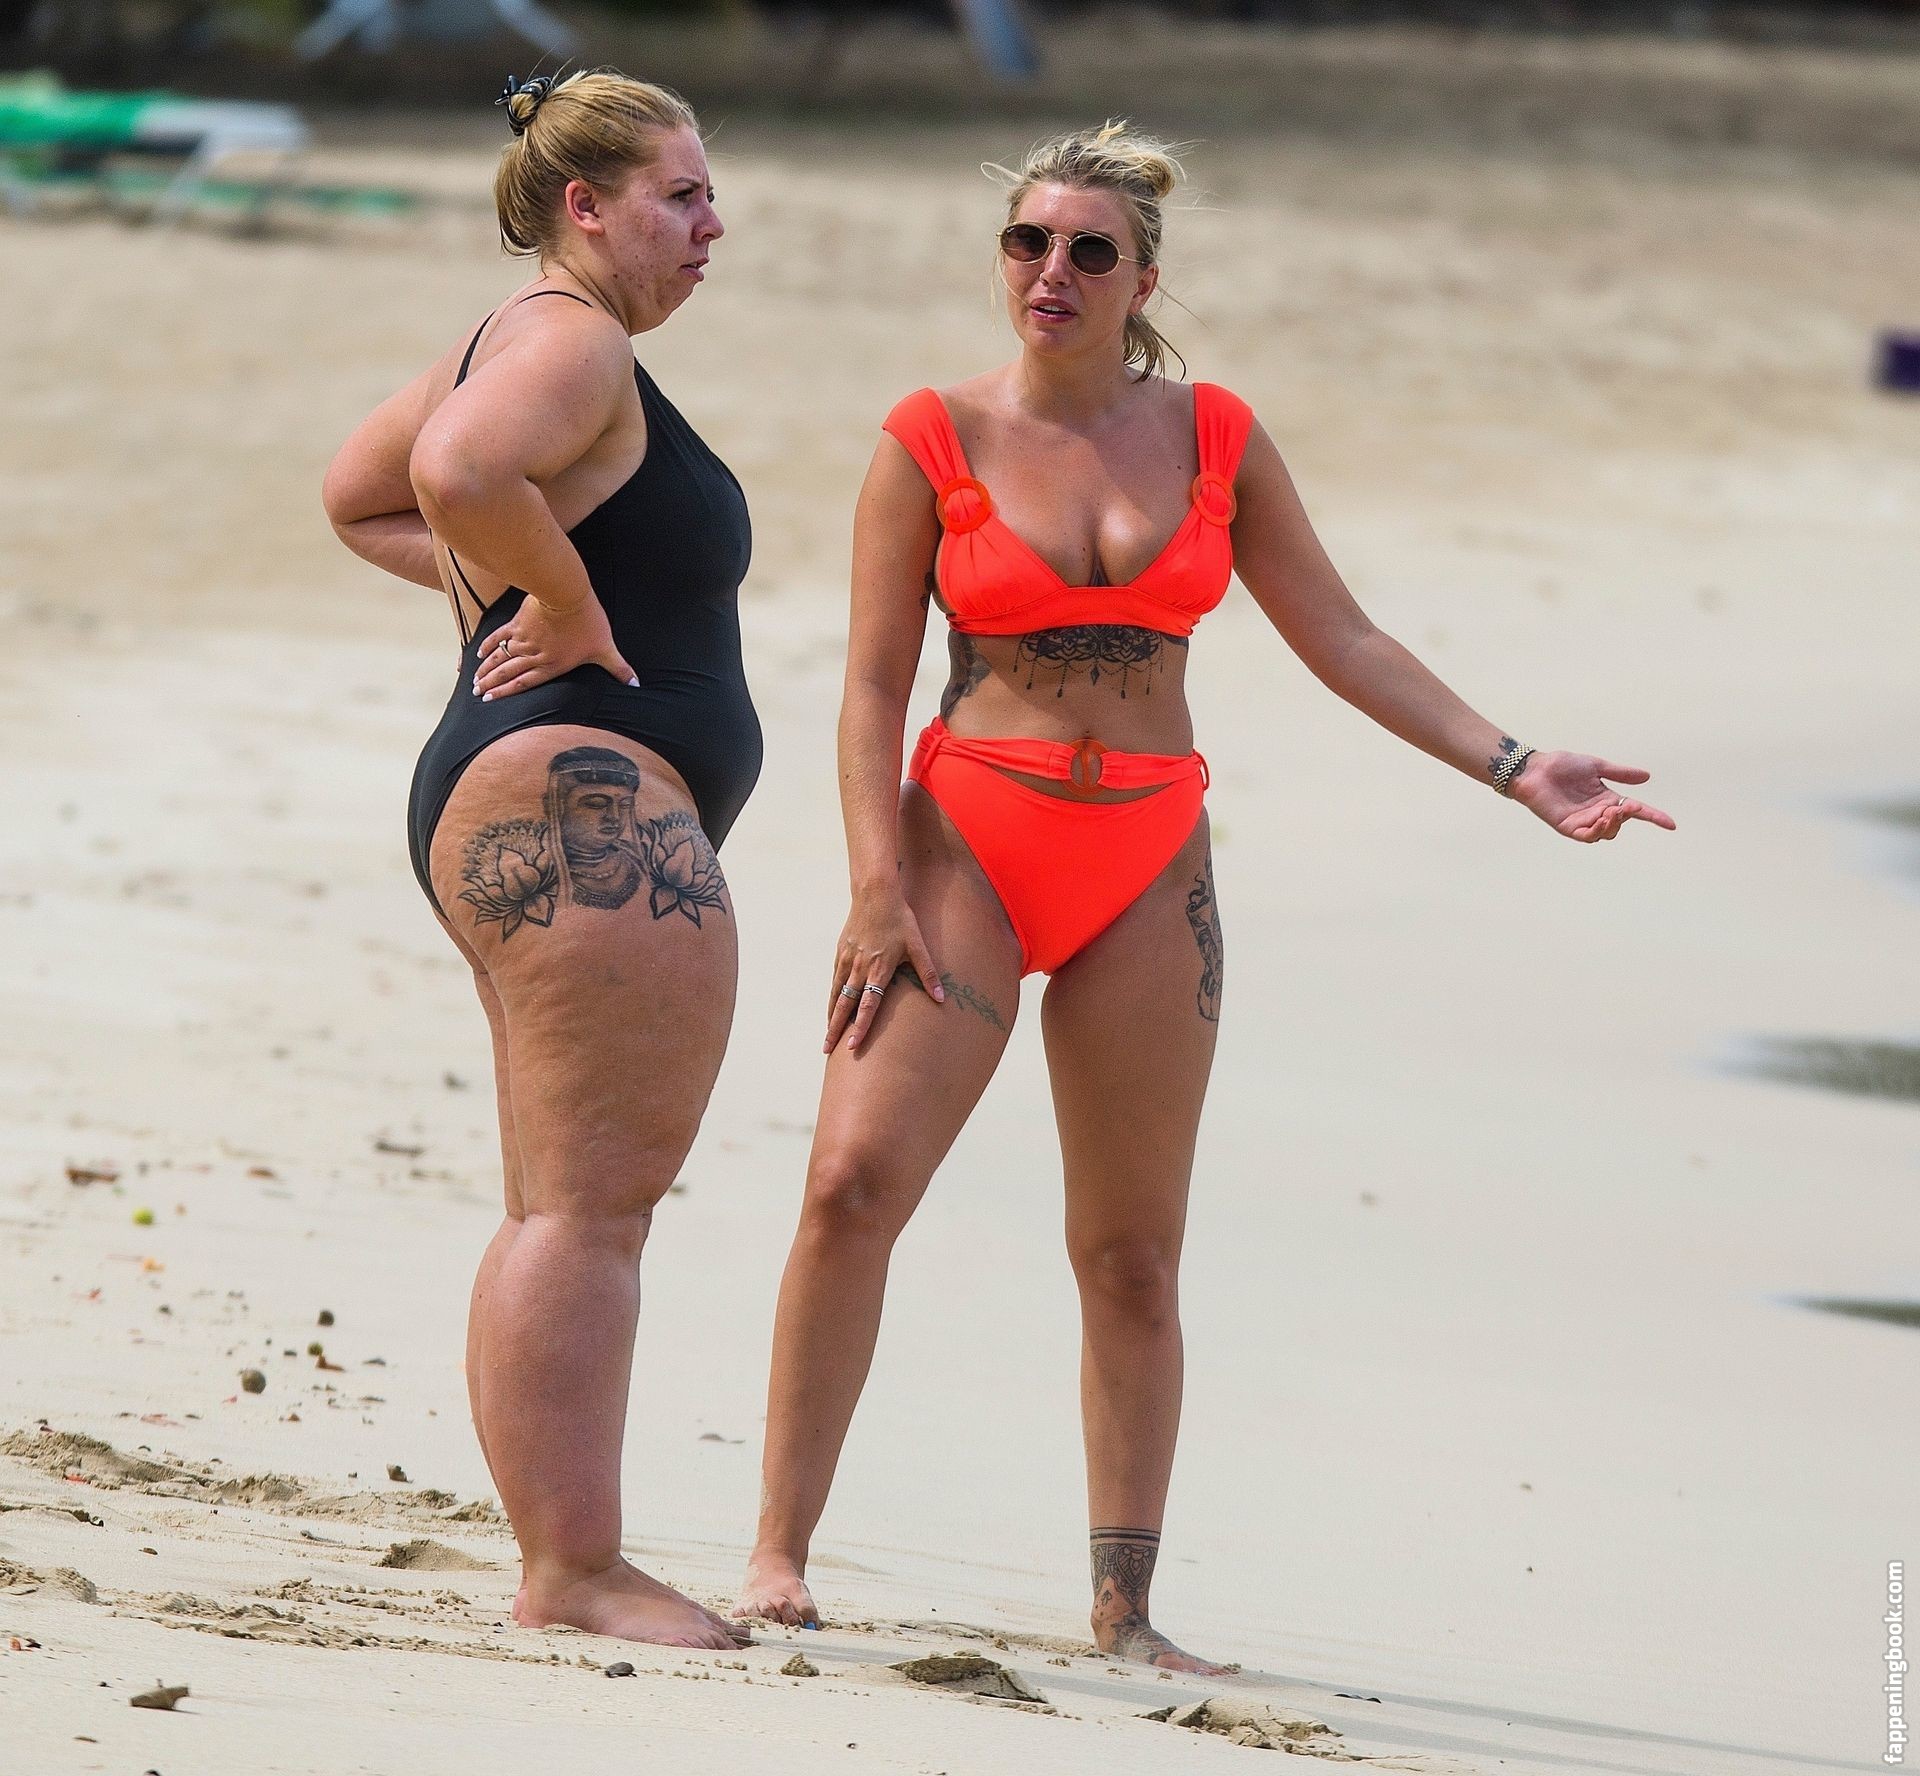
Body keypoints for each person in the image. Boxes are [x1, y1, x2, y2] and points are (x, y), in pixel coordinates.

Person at [734, 122, 1674, 1671]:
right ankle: (778, 1555)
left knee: (1131, 1255)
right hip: (965, 848)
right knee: (850, 1187)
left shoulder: (1219, 437)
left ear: (1143, 280)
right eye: (1028, 242)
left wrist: (1517, 766)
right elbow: (869, 688)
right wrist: (871, 887)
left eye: (1088, 250)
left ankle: (1126, 1612)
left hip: (1148, 863)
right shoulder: (928, 437)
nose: (1051, 270)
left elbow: (1343, 637)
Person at [321, 70, 760, 1649]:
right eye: (681, 196)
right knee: (589, 1212)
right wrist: (560, 607)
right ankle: (573, 1570)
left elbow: (358, 496)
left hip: (516, 785)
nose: (712, 226)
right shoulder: (573, 341)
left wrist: (515, 584)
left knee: (555, 1207)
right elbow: (449, 478)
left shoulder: (508, 336)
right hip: (579, 796)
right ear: (587, 206)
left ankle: (566, 1557)